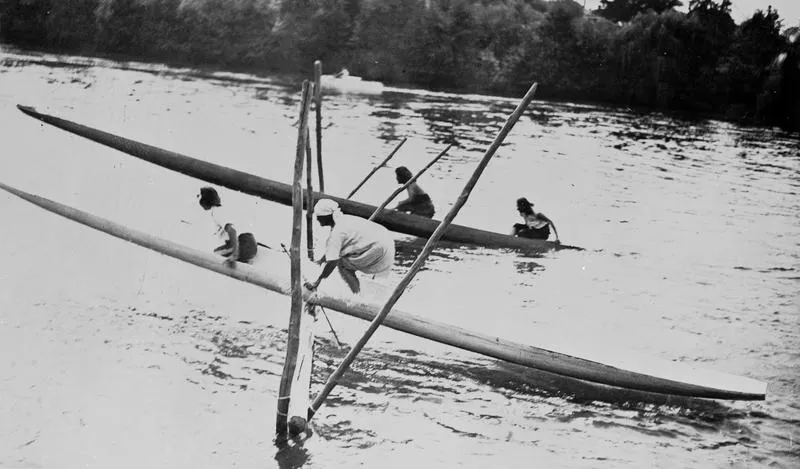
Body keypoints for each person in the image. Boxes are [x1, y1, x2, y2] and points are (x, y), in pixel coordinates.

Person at [305, 199, 395, 294]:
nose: (317, 219)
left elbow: (333, 261)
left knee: (342, 264)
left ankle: (356, 294)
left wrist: (317, 282)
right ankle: (367, 289)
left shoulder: (337, 232)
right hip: (386, 241)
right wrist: (321, 260)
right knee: (379, 276)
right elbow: (336, 248)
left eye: (319, 216)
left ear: (327, 216)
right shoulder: (343, 220)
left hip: (379, 248)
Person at [197, 186, 258, 266]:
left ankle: (242, 260)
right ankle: (244, 261)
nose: (198, 199)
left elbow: (232, 230)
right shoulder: (219, 210)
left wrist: (235, 253)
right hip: (249, 243)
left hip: (244, 244)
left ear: (206, 200)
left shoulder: (217, 212)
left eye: (199, 197)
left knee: (214, 257)